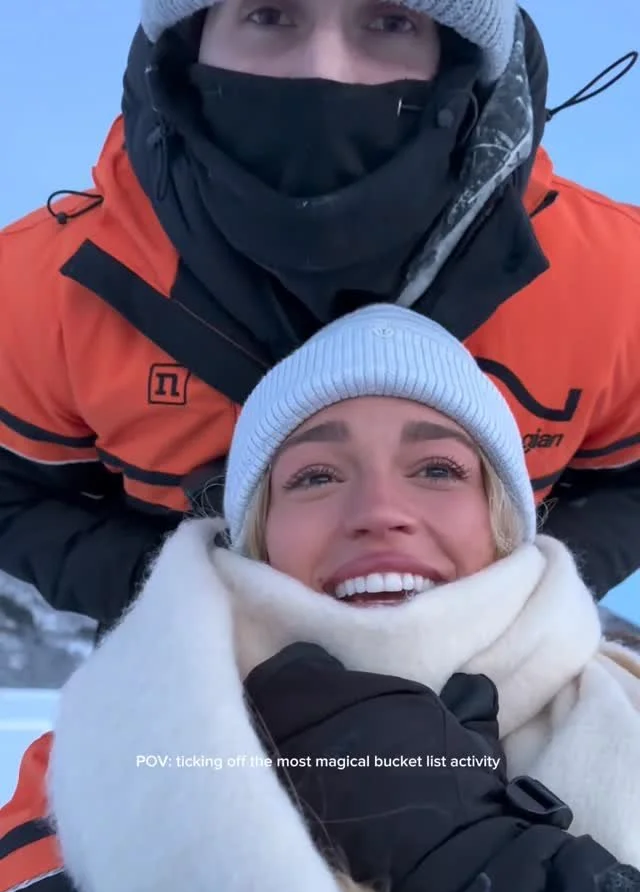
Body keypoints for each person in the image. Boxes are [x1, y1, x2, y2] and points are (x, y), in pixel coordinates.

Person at [4, 305, 640, 892]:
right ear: (258, 533)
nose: (379, 509)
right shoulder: (108, 757)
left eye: (438, 468)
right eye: (314, 476)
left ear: (502, 521)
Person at [0, 1, 639, 636]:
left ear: (459, 55)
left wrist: (521, 594)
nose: (323, 70)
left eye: (390, 22)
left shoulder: (615, 282)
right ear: (190, 40)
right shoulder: (38, 292)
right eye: (269, 15)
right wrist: (180, 593)